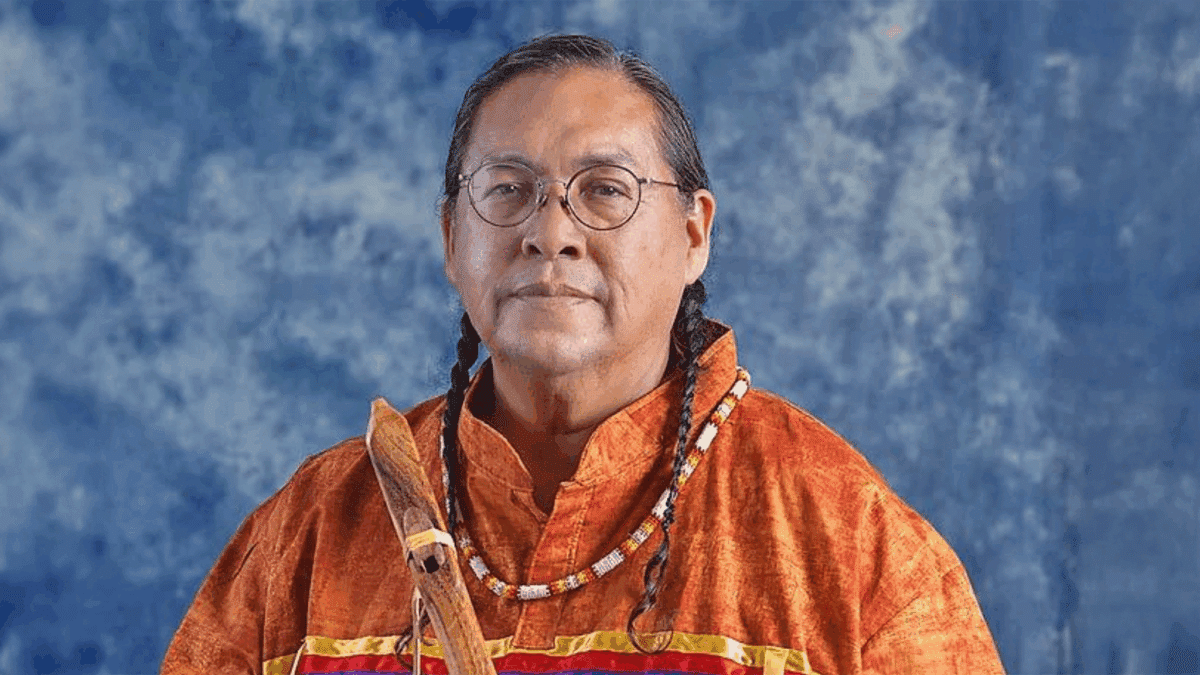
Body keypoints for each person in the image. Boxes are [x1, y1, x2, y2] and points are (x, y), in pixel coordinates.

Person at [161, 34, 1006, 675]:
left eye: (605, 189)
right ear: (452, 238)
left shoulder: (847, 540)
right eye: (507, 190)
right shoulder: (310, 532)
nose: (550, 233)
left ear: (691, 234)